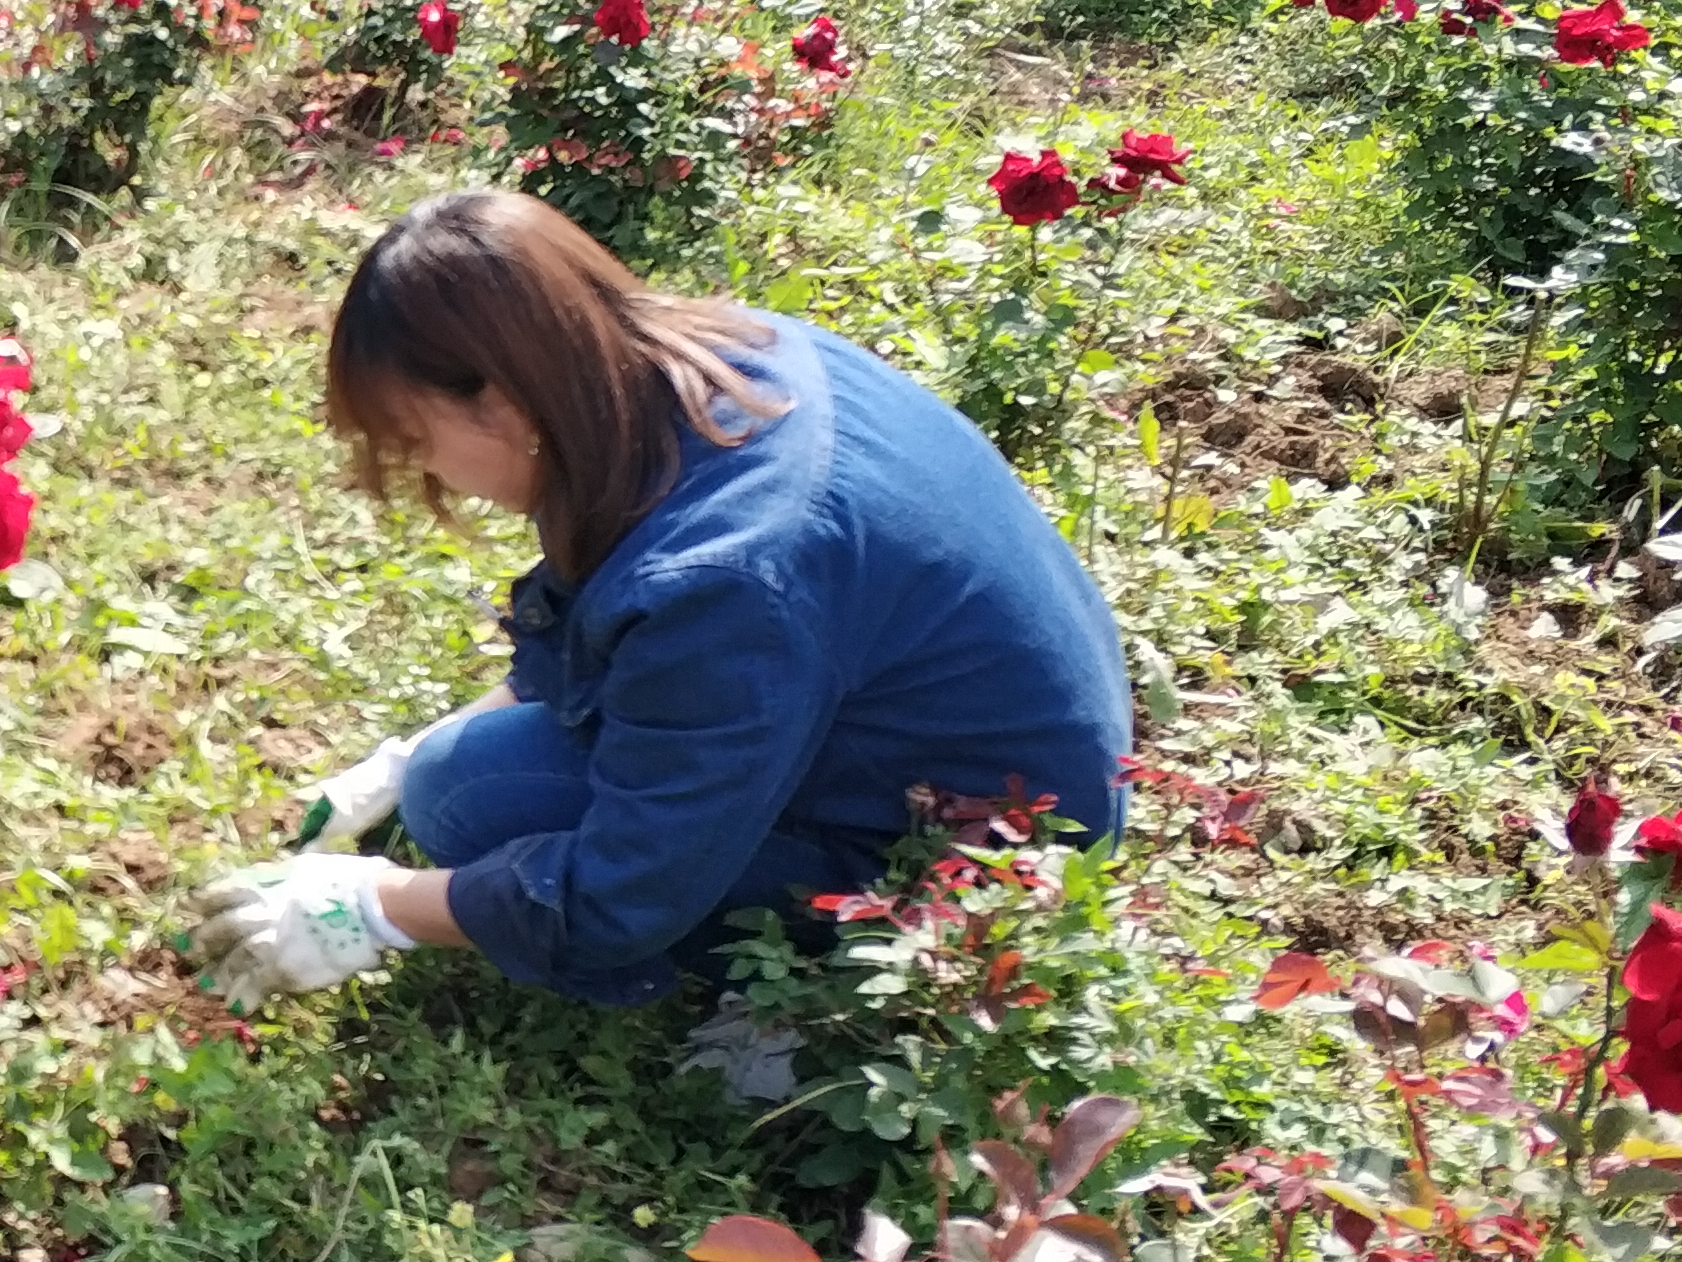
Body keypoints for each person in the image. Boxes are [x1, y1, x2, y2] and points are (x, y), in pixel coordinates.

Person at [190, 190, 1133, 1014]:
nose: (428, 473)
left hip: (990, 865)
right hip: (998, 751)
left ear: (502, 407)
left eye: (416, 439)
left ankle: (794, 1014)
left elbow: (619, 895)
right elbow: (614, 620)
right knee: (450, 768)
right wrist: (406, 757)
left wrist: (374, 909)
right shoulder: (724, 359)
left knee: (471, 801)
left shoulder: (730, 575)